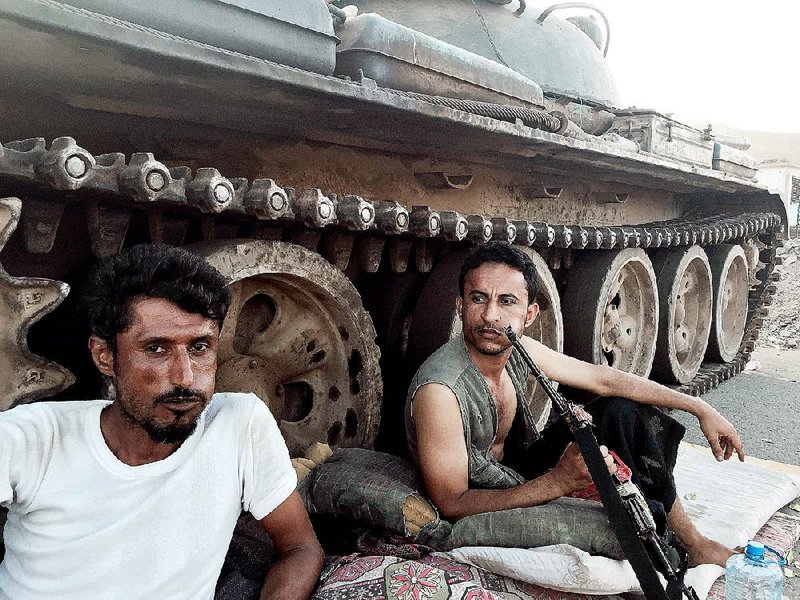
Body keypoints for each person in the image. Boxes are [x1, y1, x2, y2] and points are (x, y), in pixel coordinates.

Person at [0, 244, 323, 600]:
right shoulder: (32, 438)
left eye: (200, 347)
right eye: (156, 349)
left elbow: (300, 549)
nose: (185, 377)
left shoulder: (239, 425)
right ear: (105, 356)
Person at [405, 242, 745, 568]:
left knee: (620, 412)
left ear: (530, 314)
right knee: (629, 525)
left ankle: (695, 544)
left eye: (507, 301)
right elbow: (451, 503)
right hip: (479, 494)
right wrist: (558, 482)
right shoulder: (441, 391)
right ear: (460, 305)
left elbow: (604, 379)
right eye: (478, 298)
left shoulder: (514, 346)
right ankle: (664, 535)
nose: (491, 315)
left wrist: (699, 407)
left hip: (511, 468)